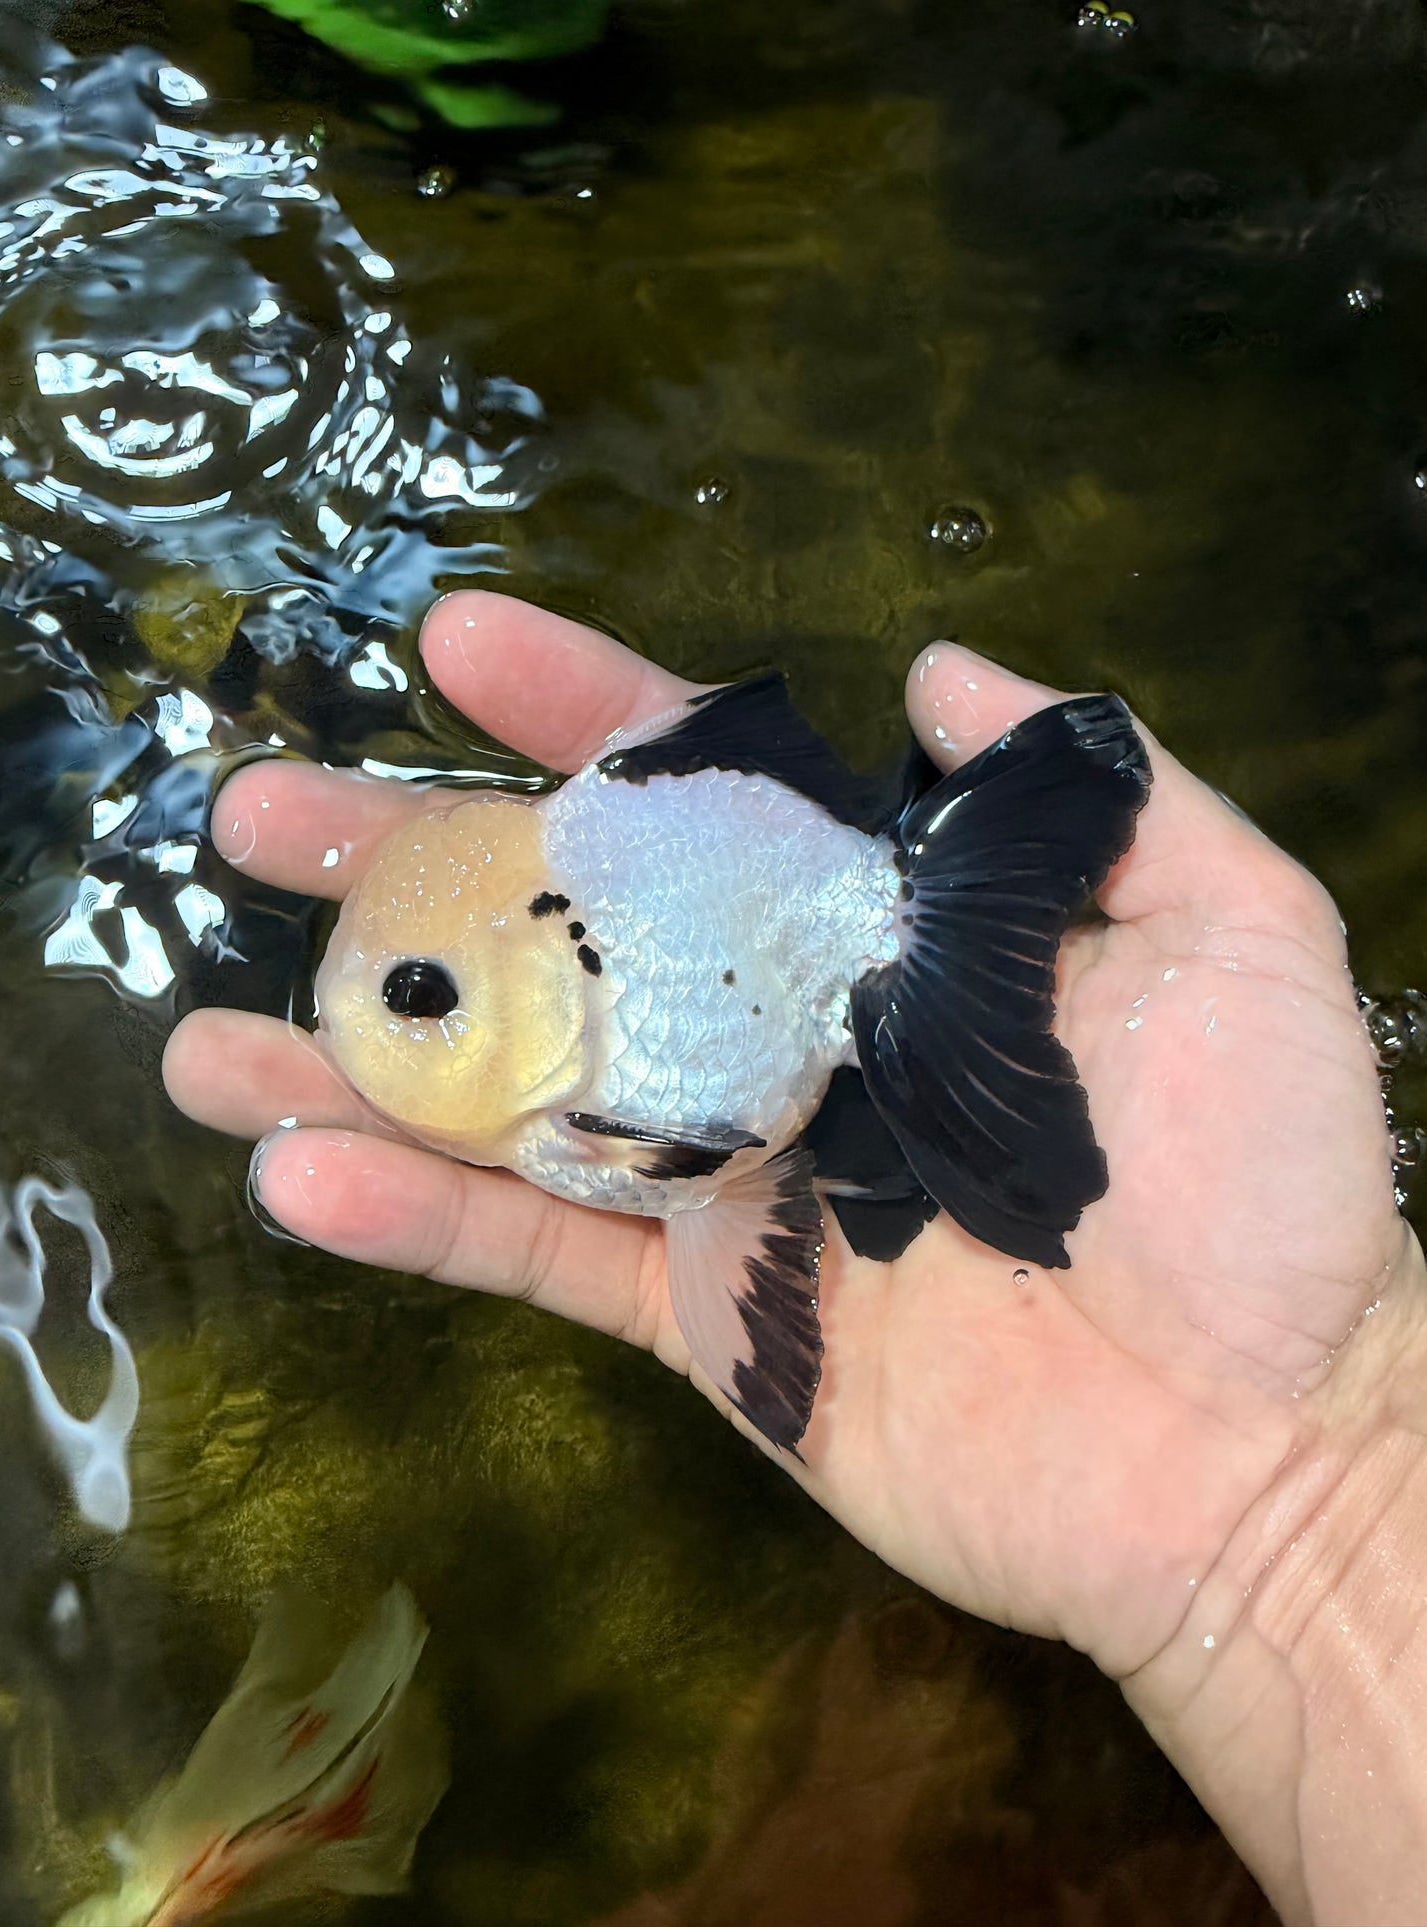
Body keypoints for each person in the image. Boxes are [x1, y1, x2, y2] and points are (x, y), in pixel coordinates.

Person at [164, 591, 1427, 1927]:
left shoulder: (604, 1067)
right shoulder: (560, 1031)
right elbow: (712, 1188)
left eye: (422, 997)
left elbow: (703, 1176)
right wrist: (1314, 1526)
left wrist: (1325, 1493)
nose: (371, 1025)